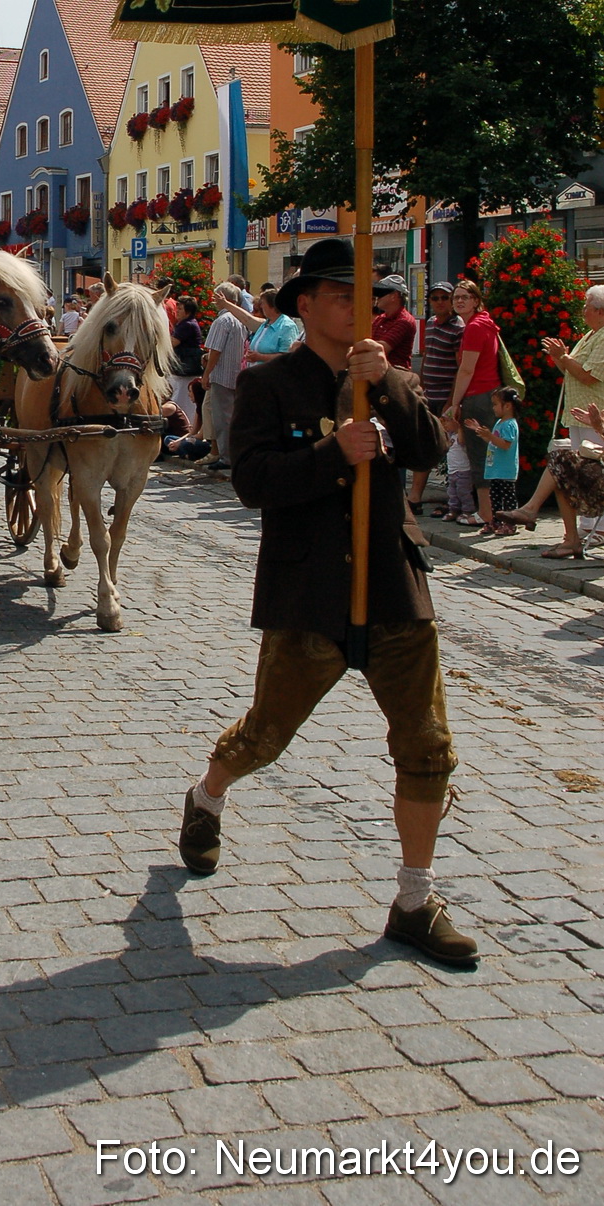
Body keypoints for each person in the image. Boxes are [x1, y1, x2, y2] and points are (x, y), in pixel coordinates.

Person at [177, 236, 475, 966]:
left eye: (365, 296)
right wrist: (329, 454)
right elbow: (251, 482)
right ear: (305, 305)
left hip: (393, 587)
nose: (358, 307)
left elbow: (428, 452)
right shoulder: (268, 384)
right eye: (342, 295)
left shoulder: (385, 375)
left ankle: (412, 899)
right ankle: (207, 793)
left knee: (427, 747)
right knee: (263, 737)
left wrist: (393, 386)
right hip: (307, 589)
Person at [501, 284, 604, 542]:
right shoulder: (590, 335)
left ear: (600, 311)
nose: (582, 311)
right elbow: (571, 371)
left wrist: (565, 357)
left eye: (586, 307)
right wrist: (560, 358)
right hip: (578, 413)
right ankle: (587, 526)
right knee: (579, 470)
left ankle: (597, 528)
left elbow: (588, 376)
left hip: (596, 415)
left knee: (587, 468)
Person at [441, 280, 503, 534]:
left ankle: (486, 513)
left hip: (478, 395)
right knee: (488, 454)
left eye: (465, 297)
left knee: (479, 456)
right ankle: (493, 510)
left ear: (476, 300)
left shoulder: (476, 327)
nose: (459, 301)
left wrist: (455, 403)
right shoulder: (485, 322)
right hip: (490, 393)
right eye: (456, 297)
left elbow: (467, 369)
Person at [408, 283, 463, 512]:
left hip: (447, 396)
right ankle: (415, 498)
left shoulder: (459, 328)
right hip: (429, 394)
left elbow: (460, 367)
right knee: (427, 444)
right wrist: (420, 385)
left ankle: (456, 502)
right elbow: (428, 355)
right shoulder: (430, 325)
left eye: (444, 297)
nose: (440, 302)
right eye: (435, 298)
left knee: (452, 449)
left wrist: (452, 401)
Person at [200, 283, 246, 470]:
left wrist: (206, 374)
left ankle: (226, 456)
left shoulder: (222, 321)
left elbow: (215, 351)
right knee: (234, 417)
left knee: (222, 418)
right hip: (238, 373)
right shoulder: (241, 319)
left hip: (222, 375)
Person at [465, 387, 520, 533]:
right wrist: (481, 432)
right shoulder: (499, 423)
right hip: (495, 469)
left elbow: (505, 444)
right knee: (495, 498)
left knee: (507, 498)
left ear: (507, 406)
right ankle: (495, 521)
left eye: (495, 404)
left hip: (505, 470)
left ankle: (510, 523)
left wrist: (490, 436)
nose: (493, 408)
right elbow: (493, 442)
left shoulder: (509, 424)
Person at [219, 285, 300, 362]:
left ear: (273, 306)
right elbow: (246, 318)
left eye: (263, 303)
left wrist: (260, 357)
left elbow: (288, 357)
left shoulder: (287, 326)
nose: (261, 306)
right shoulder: (266, 324)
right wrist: (225, 303)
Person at [435, 412, 477, 522]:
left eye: (448, 421)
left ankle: (467, 511)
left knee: (464, 492)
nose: (445, 425)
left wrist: (459, 426)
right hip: (452, 471)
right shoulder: (450, 436)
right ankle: (454, 510)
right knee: (452, 492)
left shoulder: (459, 436)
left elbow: (462, 441)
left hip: (463, 471)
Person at [372, 275, 418, 370]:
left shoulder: (404, 321)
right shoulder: (380, 318)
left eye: (381, 292)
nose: (377, 296)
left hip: (396, 379)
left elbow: (380, 349)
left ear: (394, 296)